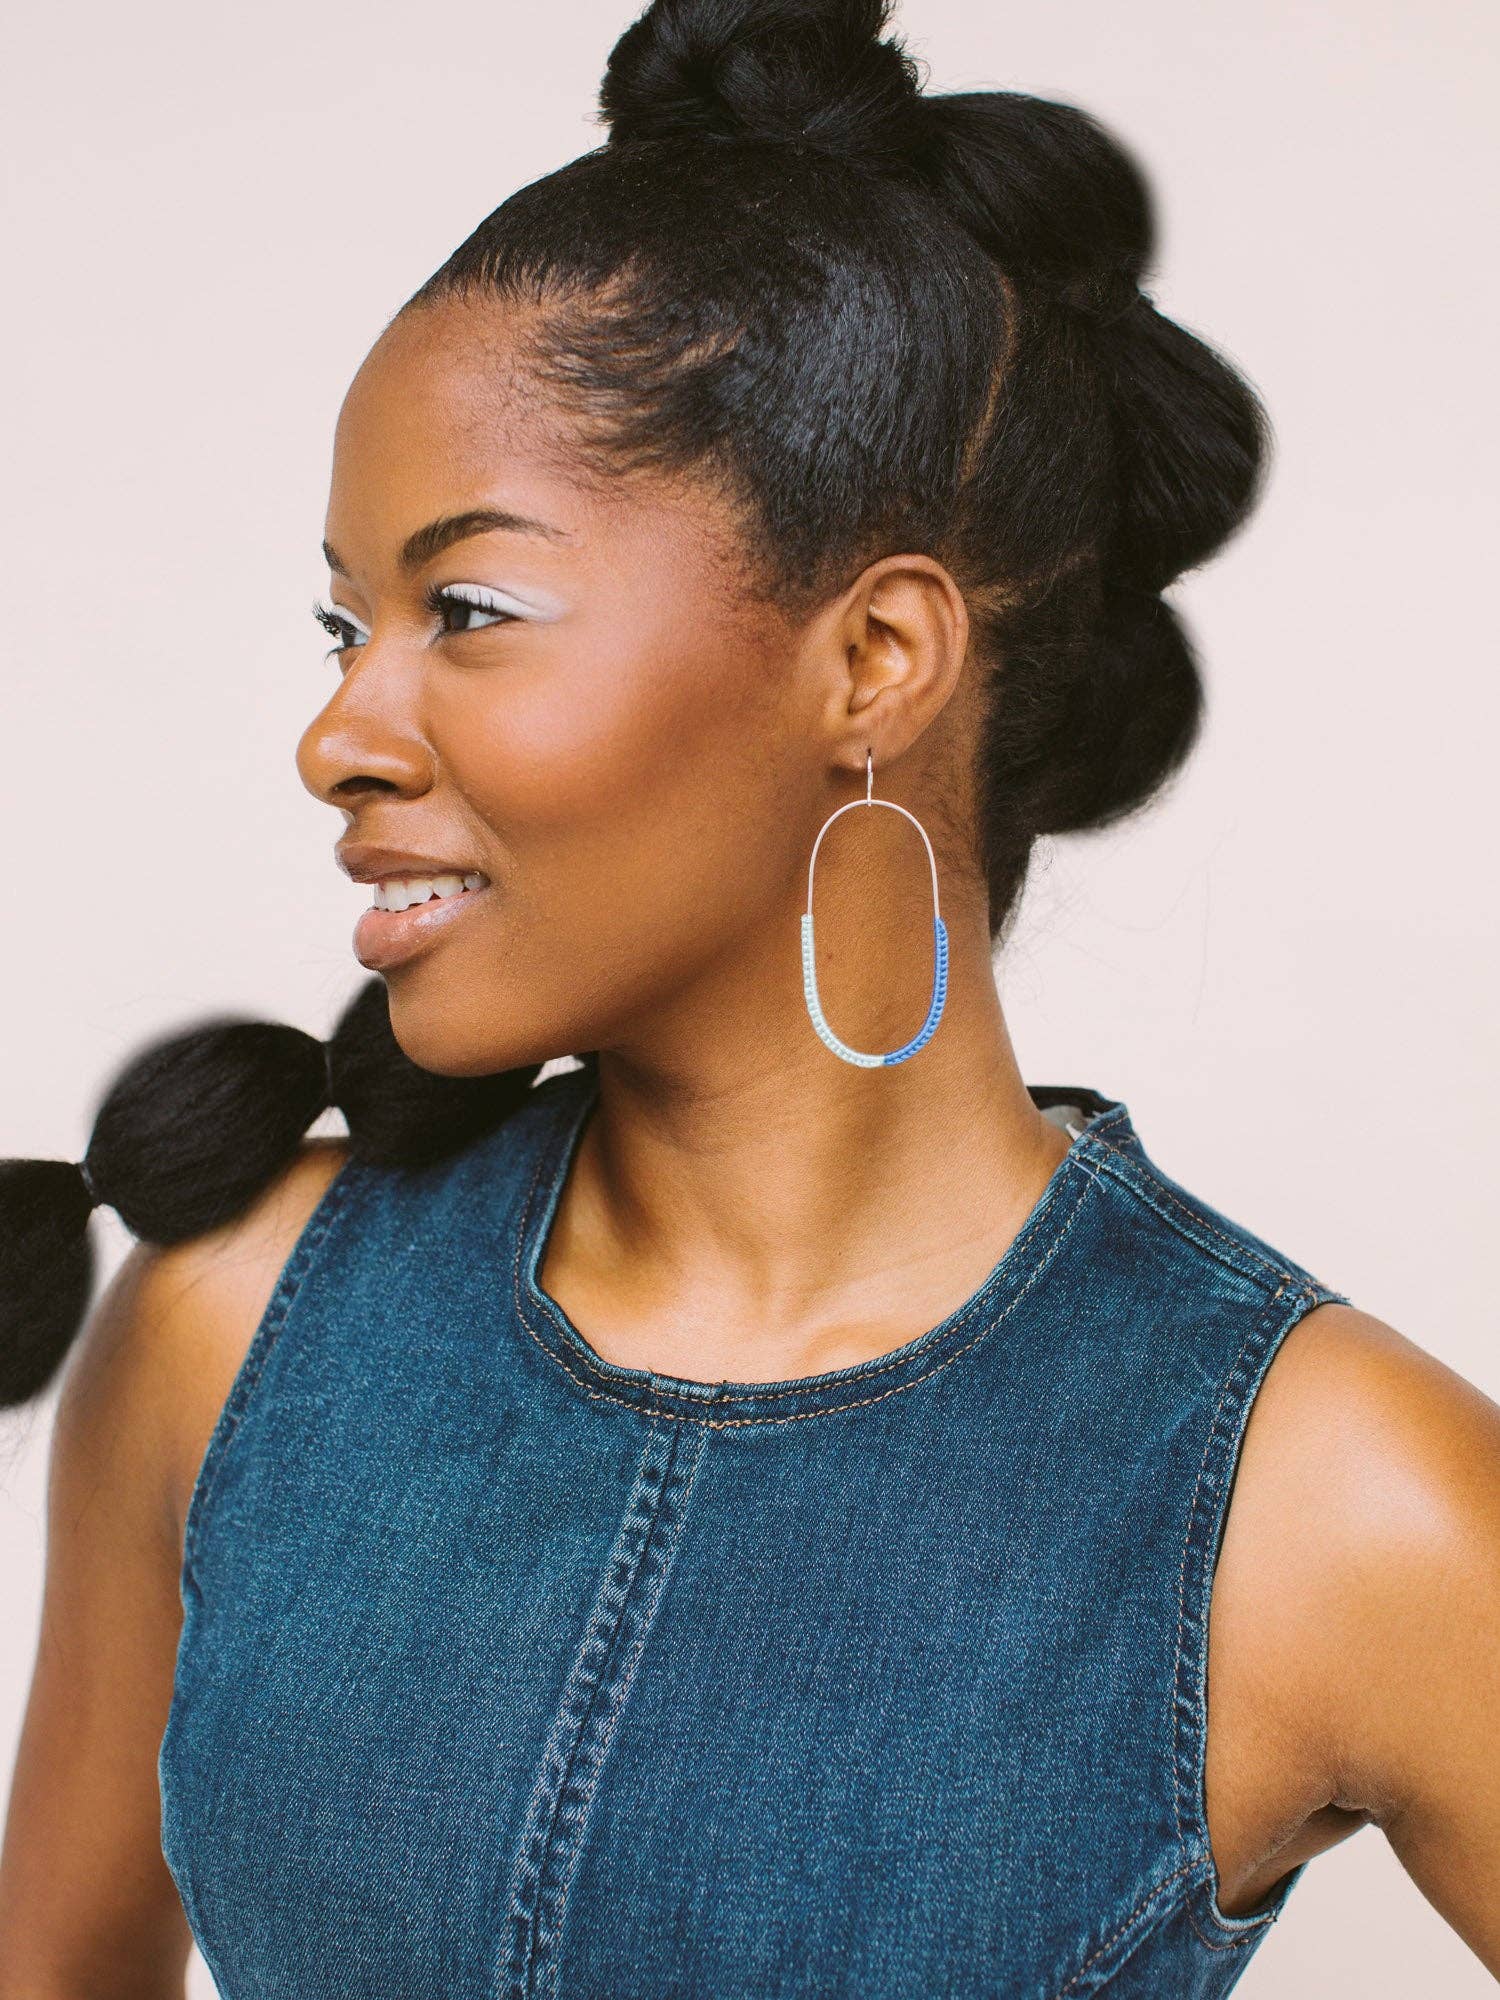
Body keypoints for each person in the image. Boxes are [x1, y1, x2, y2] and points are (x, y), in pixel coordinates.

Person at [1, 0, 1496, 1992]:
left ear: (874, 659)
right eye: (346, 621)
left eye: (470, 610)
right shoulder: (233, 1326)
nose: (339, 731)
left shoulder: (1331, 1497)